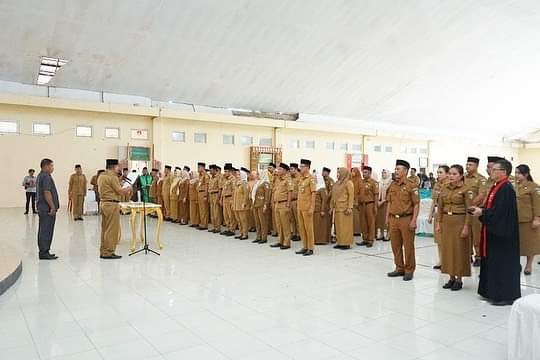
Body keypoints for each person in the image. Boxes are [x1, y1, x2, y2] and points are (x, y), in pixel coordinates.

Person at [469, 159, 521, 306]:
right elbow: (493, 209)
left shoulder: (506, 188)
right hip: (493, 232)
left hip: (503, 234)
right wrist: (482, 211)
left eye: (494, 169)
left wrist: (483, 212)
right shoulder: (497, 186)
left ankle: (504, 295)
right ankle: (490, 291)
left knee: (502, 263)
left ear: (503, 172)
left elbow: (501, 213)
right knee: (492, 261)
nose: (490, 171)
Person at [436, 165, 471, 291]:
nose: (451, 176)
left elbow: (469, 210)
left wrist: (466, 226)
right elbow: (440, 207)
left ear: (461, 176)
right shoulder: (444, 188)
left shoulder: (466, 189)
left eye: (454, 174)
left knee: (459, 251)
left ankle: (459, 279)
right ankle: (451, 277)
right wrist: (439, 223)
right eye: (450, 173)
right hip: (447, 221)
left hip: (459, 221)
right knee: (448, 250)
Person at [386, 160, 420, 281]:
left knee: (408, 246)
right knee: (395, 245)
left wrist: (414, 220)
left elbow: (416, 204)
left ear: (405, 171)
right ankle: (399, 267)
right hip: (393, 219)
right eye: (395, 169)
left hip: (406, 219)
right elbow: (389, 203)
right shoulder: (393, 185)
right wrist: (387, 218)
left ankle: (409, 269)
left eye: (398, 169)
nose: (396, 171)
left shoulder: (412, 185)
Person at [98, 159, 131, 259]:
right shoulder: (112, 177)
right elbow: (120, 191)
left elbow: (111, 188)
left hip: (104, 203)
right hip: (112, 204)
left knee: (105, 228)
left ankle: (103, 250)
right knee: (112, 229)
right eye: (118, 166)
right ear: (114, 167)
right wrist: (128, 188)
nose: (119, 168)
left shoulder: (102, 176)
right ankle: (109, 252)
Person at [515, 165, 540, 275]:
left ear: (526, 174)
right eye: (516, 173)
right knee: (517, 244)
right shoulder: (514, 186)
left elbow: (537, 204)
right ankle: (517, 263)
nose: (516, 175)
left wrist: (537, 218)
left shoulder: (533, 186)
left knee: (530, 244)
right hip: (515, 220)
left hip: (528, 220)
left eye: (519, 173)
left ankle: (529, 265)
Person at [465, 156, 489, 267]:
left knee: (476, 235)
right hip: (463, 212)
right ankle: (467, 255)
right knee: (466, 234)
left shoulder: (481, 179)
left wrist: (471, 206)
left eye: (470, 165)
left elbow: (482, 195)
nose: (468, 166)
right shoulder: (463, 178)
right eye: (467, 164)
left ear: (476, 166)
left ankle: (478, 256)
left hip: (474, 211)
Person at [36, 158, 59, 260]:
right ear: (46, 166)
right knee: (46, 230)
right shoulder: (45, 177)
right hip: (47, 208)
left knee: (44, 229)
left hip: (43, 208)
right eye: (51, 166)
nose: (52, 168)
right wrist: (52, 206)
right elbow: (47, 192)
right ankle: (44, 252)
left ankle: (44, 251)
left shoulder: (41, 175)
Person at [428, 165, 449, 269]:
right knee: (438, 240)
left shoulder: (449, 185)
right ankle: (441, 260)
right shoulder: (436, 185)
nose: (439, 174)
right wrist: (430, 214)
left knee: (445, 239)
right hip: (437, 213)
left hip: (445, 214)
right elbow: (433, 201)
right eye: (438, 172)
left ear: (447, 174)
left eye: (441, 172)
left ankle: (447, 261)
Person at [295, 159, 317, 256]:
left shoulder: (311, 178)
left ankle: (310, 248)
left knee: (308, 228)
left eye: (302, 166)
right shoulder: (301, 178)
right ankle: (305, 246)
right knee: (302, 228)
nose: (300, 168)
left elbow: (313, 193)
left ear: (307, 167)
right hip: (300, 207)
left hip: (307, 207)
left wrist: (312, 207)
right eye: (300, 166)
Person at [270, 163, 293, 250]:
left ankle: (287, 242)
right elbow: (274, 191)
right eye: (278, 169)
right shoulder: (277, 180)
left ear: (285, 171)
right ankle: (280, 241)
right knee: (278, 224)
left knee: (285, 224)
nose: (278, 171)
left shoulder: (288, 179)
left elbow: (290, 192)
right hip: (277, 204)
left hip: (284, 204)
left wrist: (288, 204)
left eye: (280, 169)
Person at [331, 167, 354, 250]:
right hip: (337, 208)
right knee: (339, 227)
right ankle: (340, 242)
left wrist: (350, 207)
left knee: (345, 227)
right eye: (337, 173)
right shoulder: (337, 183)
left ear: (343, 173)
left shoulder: (348, 183)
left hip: (345, 209)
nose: (337, 175)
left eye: (339, 173)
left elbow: (351, 196)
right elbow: (334, 195)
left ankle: (346, 243)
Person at [358, 166, 379, 248]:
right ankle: (365, 239)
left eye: (366, 172)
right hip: (362, 205)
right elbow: (358, 193)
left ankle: (370, 240)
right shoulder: (361, 182)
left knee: (371, 222)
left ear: (370, 173)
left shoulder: (374, 182)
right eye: (363, 172)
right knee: (363, 223)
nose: (364, 174)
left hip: (370, 204)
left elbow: (376, 195)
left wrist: (375, 206)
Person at [251, 171, 270, 244]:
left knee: (263, 222)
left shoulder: (265, 183)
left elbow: (267, 195)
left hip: (262, 205)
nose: (257, 175)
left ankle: (264, 237)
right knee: (257, 222)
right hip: (256, 204)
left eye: (259, 174)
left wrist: (266, 204)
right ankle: (258, 236)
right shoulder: (258, 182)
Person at [314, 171, 330, 245]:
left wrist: (322, 210)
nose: (314, 179)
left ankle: (321, 240)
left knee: (321, 225)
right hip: (315, 209)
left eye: (315, 178)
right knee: (317, 225)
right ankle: (317, 239)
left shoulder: (322, 188)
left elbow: (324, 200)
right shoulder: (315, 187)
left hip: (320, 209)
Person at [233, 169, 251, 240]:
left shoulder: (244, 183)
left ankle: (245, 234)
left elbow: (246, 195)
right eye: (237, 175)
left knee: (243, 220)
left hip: (242, 205)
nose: (237, 176)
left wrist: (244, 203)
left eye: (239, 174)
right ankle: (241, 233)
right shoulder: (237, 183)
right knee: (238, 220)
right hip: (236, 204)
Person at [221, 164, 237, 236]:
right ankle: (228, 228)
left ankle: (232, 229)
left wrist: (233, 200)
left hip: (230, 198)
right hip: (225, 198)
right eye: (224, 171)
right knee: (225, 215)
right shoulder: (225, 179)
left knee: (231, 215)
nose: (225, 173)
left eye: (226, 171)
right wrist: (221, 199)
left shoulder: (233, 179)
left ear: (230, 172)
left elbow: (234, 190)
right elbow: (223, 190)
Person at [376, 169, 392, 241]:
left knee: (387, 219)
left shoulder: (390, 182)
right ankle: (382, 233)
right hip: (380, 203)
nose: (383, 174)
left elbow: (390, 194)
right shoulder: (380, 182)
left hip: (387, 203)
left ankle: (388, 234)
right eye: (382, 172)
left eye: (385, 172)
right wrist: (378, 201)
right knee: (380, 220)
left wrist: (383, 201)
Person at [208, 165, 222, 233]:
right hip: (211, 195)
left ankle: (218, 228)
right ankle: (214, 226)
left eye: (211, 170)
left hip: (216, 194)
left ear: (214, 170)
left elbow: (220, 188)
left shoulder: (218, 177)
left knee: (216, 212)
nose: (210, 171)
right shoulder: (211, 178)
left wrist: (219, 198)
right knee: (212, 212)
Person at [289, 163, 300, 242]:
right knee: (292, 219)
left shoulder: (299, 178)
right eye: (290, 169)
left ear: (296, 169)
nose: (290, 171)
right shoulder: (290, 179)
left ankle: (299, 234)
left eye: (292, 169)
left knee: (297, 219)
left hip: (297, 201)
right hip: (291, 201)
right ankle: (294, 233)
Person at [197, 162, 210, 230]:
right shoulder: (200, 175)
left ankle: (204, 225)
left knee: (204, 209)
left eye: (199, 167)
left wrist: (205, 195)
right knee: (201, 210)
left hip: (203, 194)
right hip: (199, 193)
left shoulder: (206, 175)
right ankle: (202, 223)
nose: (198, 169)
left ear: (203, 167)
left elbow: (206, 186)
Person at [351, 167, 364, 237]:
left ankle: (357, 231)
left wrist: (357, 200)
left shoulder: (359, 180)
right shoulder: (351, 180)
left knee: (357, 217)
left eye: (353, 171)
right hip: (351, 201)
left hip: (357, 202)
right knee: (352, 217)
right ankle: (352, 230)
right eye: (352, 171)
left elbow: (361, 192)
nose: (352, 173)